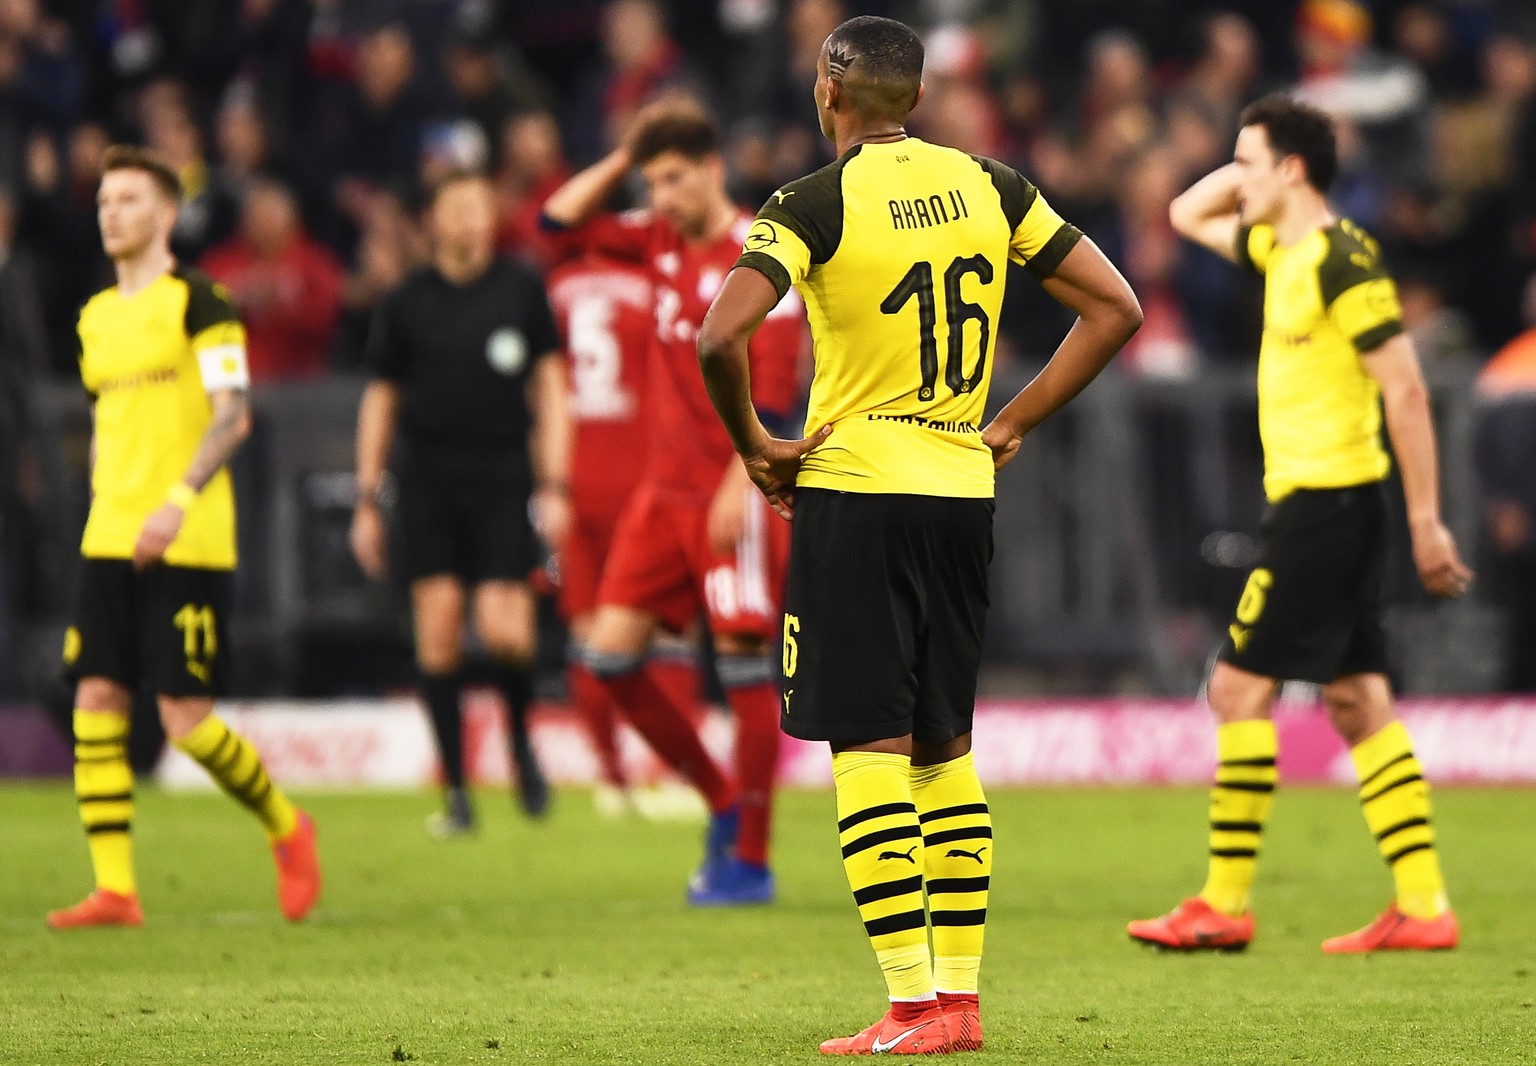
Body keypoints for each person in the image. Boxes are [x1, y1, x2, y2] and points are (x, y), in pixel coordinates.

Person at [698, 16, 1141, 1054]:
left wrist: (758, 442)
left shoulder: (809, 204)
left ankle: (906, 1006)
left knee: (869, 746)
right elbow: (1114, 308)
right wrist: (1015, 418)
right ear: (918, 97)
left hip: (860, 487)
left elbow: (721, 333)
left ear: (828, 93)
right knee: (947, 749)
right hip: (960, 480)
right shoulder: (992, 185)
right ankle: (958, 1002)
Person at [1128, 94, 1473, 955]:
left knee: (1238, 689)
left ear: (1290, 170)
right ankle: (1424, 905)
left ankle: (1224, 902)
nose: (1233, 179)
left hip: (1326, 506)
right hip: (1325, 506)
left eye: (1249, 160)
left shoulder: (1339, 261)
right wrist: (1255, 168)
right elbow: (1182, 210)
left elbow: (1406, 388)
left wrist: (1428, 523)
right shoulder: (1280, 249)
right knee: (1358, 701)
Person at [48, 145, 321, 929]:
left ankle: (286, 825)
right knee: (97, 697)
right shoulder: (96, 317)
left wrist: (172, 501)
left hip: (188, 533)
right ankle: (115, 889)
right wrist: (110, 498)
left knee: (184, 719)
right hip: (110, 532)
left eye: (129, 200)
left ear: (166, 215)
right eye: (104, 200)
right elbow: (108, 421)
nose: (112, 213)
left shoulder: (201, 301)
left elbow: (233, 413)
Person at [542, 103, 807, 905]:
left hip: (733, 491)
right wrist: (626, 152)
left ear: (712, 167)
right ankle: (722, 802)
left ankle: (752, 860)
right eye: (650, 181)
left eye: (672, 178)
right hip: (660, 499)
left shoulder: (757, 259)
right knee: (610, 660)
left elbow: (779, 391)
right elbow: (556, 226)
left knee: (743, 672)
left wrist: (744, 481)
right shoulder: (655, 237)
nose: (659, 195)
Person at [349, 170, 569, 835]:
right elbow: (380, 398)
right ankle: (458, 791)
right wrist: (367, 495)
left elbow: (552, 386)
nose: (472, 218)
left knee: (507, 629)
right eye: (458, 207)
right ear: (434, 220)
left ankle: (523, 745)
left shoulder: (521, 287)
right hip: (428, 479)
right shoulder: (407, 300)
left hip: (502, 472)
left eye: (481, 205)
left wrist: (556, 482)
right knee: (438, 628)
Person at [544, 244, 703, 812]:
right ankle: (675, 772)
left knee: (589, 632)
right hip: (646, 473)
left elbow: (543, 389)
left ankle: (611, 778)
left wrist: (548, 480)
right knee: (667, 630)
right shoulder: (661, 283)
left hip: (575, 473)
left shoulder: (558, 287)